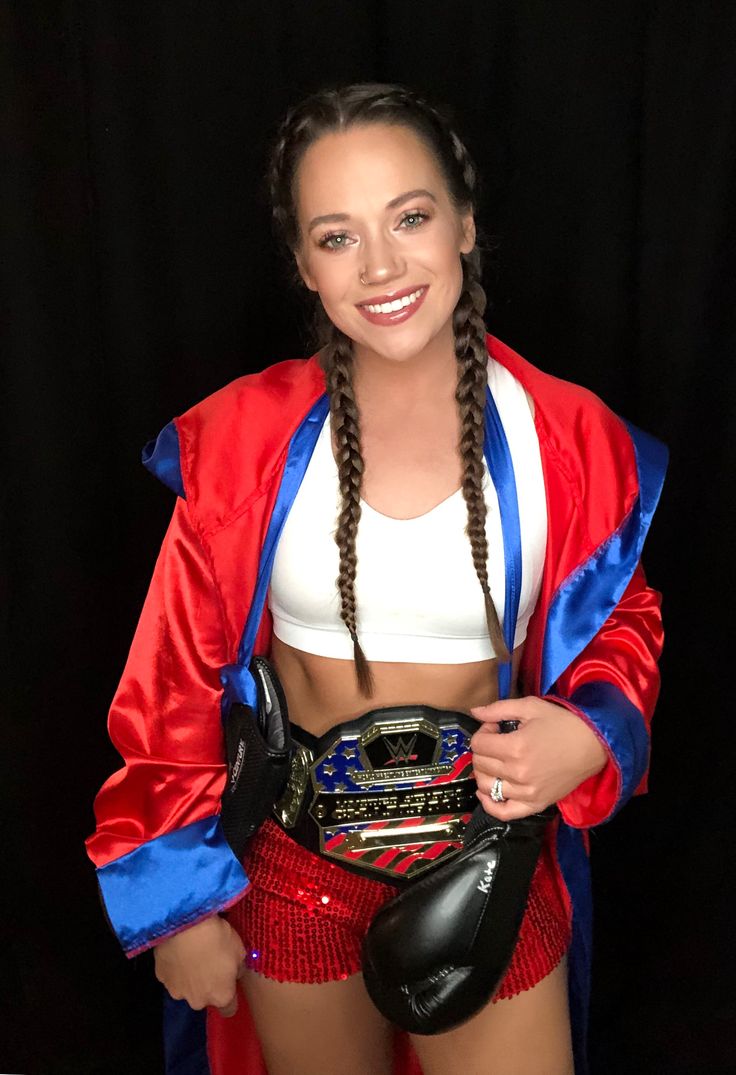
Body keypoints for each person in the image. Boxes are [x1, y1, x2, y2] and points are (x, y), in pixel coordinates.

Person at [85, 82, 667, 1075]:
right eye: (337, 236)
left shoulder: (564, 437)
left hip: (489, 867)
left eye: (409, 217)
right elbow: (170, 681)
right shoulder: (242, 442)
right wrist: (174, 899)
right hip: (293, 872)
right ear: (306, 267)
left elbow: (623, 617)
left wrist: (591, 730)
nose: (383, 265)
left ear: (465, 225)